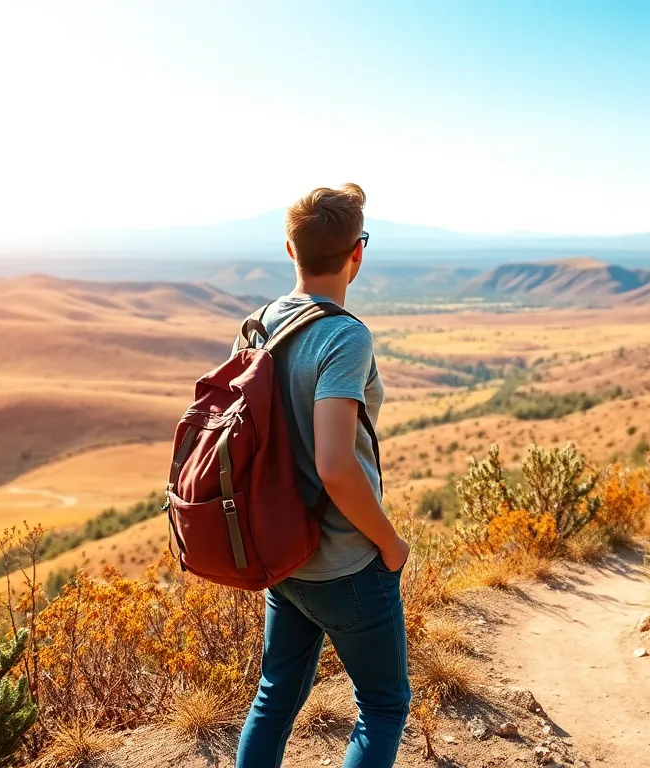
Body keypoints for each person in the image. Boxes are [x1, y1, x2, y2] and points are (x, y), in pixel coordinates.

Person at [235, 183, 412, 768]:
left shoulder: (257, 326)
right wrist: (389, 543)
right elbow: (335, 466)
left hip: (284, 556)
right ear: (357, 253)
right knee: (383, 707)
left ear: (291, 249)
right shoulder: (345, 335)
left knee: (275, 696)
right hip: (345, 563)